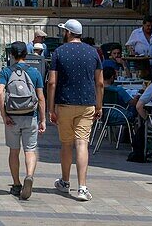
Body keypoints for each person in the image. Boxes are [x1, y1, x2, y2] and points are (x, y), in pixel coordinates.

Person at [47, 19, 103, 201]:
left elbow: (52, 82)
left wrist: (50, 108)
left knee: (66, 144)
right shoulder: (93, 53)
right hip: (87, 103)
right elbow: (100, 82)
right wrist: (99, 105)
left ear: (68, 33)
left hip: (64, 103)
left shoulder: (59, 52)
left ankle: (65, 181)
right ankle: (82, 187)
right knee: (82, 144)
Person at [0, 42, 46, 200]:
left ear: (11, 55)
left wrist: (4, 115)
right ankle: (29, 175)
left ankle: (16, 184)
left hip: (12, 116)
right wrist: (43, 119)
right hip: (30, 115)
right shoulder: (34, 72)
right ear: (26, 54)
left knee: (13, 151)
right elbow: (41, 98)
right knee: (30, 150)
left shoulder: (5, 71)